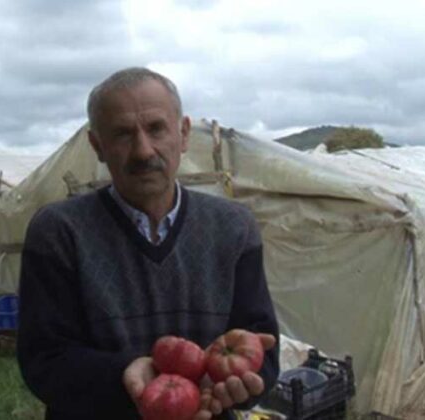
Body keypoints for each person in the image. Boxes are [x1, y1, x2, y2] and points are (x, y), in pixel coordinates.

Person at [17, 67, 279, 419]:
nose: (143, 151)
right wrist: (124, 376)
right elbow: (43, 361)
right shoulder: (59, 232)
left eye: (156, 128)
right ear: (98, 146)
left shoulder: (234, 227)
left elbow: (264, 347)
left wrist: (237, 385)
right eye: (123, 134)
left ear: (183, 134)